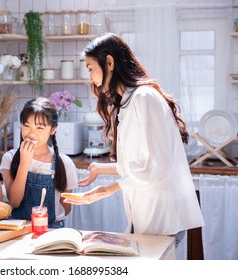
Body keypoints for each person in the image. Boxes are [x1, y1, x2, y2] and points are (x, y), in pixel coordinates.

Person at [63, 33, 204, 245]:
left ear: (109, 62)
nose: (90, 78)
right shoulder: (127, 102)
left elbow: (158, 163)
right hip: (145, 211)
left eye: (91, 68)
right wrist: (101, 169)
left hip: (161, 214)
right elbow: (139, 164)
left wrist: (108, 190)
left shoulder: (144, 97)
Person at [0, 97, 78, 228]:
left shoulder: (65, 163)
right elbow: (14, 201)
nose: (31, 133)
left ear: (53, 129)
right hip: (18, 228)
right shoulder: (10, 158)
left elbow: (66, 209)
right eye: (27, 125)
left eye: (39, 127)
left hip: (52, 228)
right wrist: (24, 162)